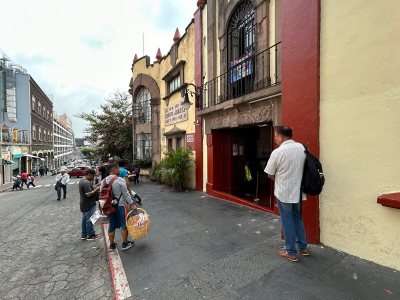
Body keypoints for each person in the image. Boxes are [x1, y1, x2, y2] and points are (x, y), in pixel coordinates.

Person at [264, 126, 309, 262]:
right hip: (298, 191)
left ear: (281, 137)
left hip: (284, 192)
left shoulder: (277, 152)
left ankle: (291, 251)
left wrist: (281, 179)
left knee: (287, 220)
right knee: (297, 218)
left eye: (276, 137)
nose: (276, 140)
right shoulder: (303, 148)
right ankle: (303, 247)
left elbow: (270, 174)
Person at [100, 163, 137, 251]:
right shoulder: (120, 180)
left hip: (109, 207)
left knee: (111, 225)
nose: (120, 170)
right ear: (116, 169)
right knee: (124, 224)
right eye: (118, 169)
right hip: (121, 206)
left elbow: (102, 194)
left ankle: (112, 245)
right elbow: (126, 194)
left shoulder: (103, 181)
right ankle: (125, 243)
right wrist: (132, 205)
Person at [79, 169, 102, 241]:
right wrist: (97, 189)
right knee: (90, 219)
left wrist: (93, 188)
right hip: (89, 204)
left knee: (84, 220)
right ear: (89, 174)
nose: (93, 178)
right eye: (93, 176)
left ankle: (84, 234)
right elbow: (88, 194)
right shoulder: (86, 183)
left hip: (84, 204)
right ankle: (90, 235)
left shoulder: (82, 181)